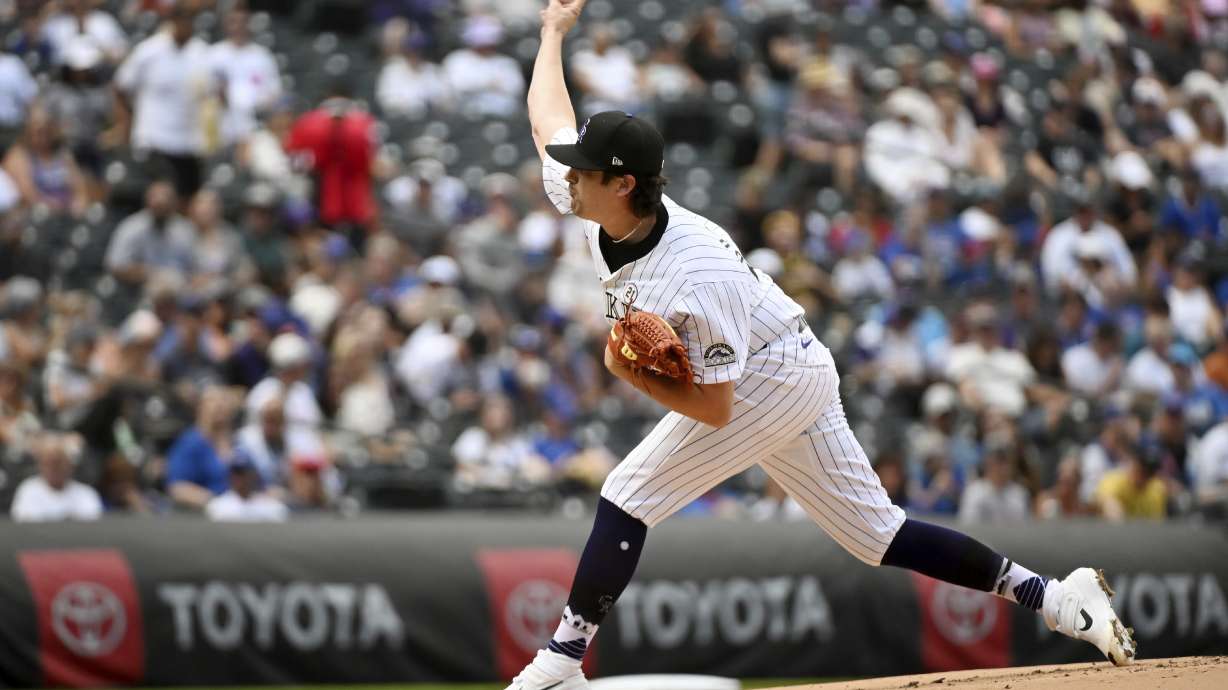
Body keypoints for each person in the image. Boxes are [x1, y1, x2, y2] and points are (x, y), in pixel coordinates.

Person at [507, 3, 1136, 688]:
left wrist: (627, 374)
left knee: (629, 491)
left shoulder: (697, 268)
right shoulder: (590, 197)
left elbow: (715, 410)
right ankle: (1053, 596)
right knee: (879, 537)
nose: (567, 178)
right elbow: (548, 123)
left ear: (623, 183)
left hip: (770, 371)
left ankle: (563, 660)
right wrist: (552, 34)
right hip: (791, 363)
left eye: (583, 172)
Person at [113, 4, 216, 199]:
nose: (185, 25)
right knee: (161, 197)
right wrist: (125, 126)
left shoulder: (202, 54)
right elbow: (120, 87)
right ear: (172, 22)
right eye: (181, 19)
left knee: (188, 200)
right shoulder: (149, 51)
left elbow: (211, 99)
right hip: (154, 139)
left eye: (189, 19)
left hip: (188, 143)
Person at [10, 433, 102, 522]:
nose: (53, 469)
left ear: (70, 465)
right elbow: (23, 523)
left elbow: (93, 523)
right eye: (48, 463)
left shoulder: (86, 494)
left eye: (58, 463)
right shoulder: (28, 490)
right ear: (40, 465)